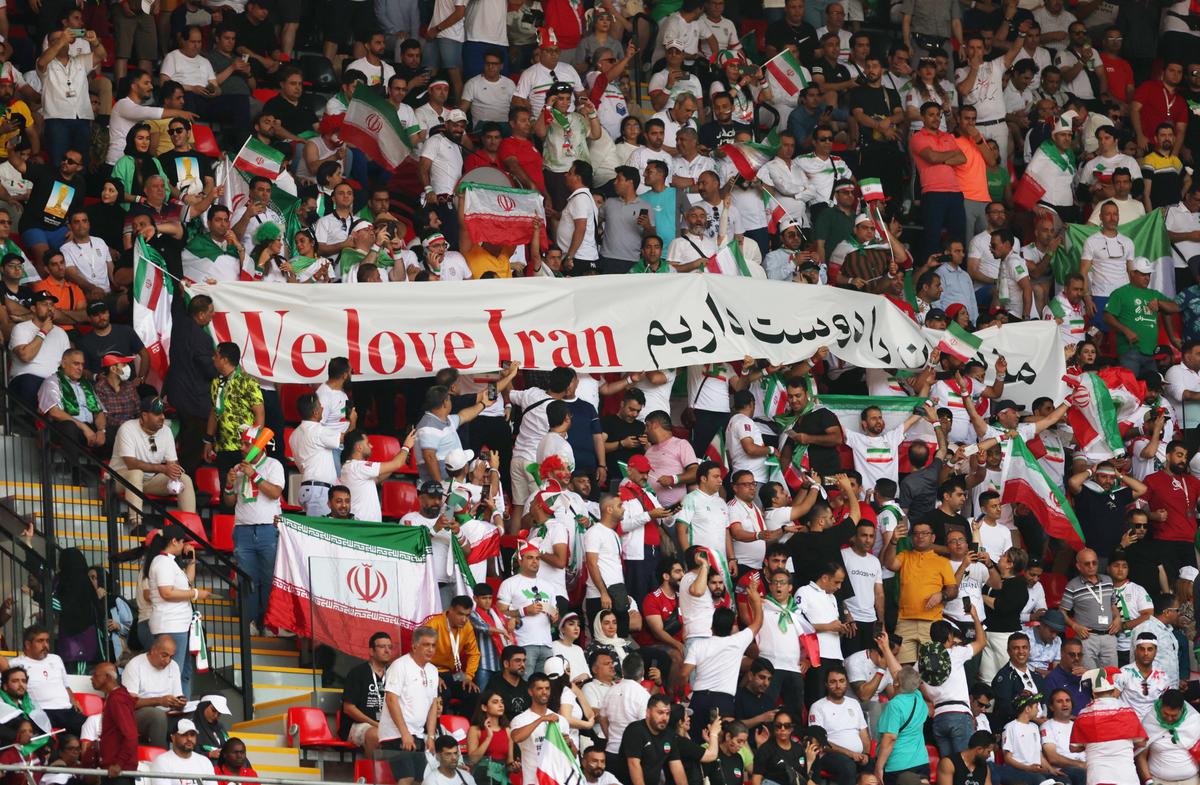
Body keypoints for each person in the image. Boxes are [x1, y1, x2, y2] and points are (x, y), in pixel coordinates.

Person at [680, 576, 763, 739]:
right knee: (722, 745)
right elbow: (758, 623)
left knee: (697, 741)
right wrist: (755, 601)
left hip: (700, 698)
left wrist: (683, 692)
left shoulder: (698, 645)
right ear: (732, 626)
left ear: (711, 626)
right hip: (723, 701)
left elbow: (684, 674)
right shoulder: (737, 641)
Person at [881, 519, 959, 663]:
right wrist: (893, 542)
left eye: (925, 533)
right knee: (903, 670)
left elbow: (953, 590)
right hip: (904, 621)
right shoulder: (904, 555)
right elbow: (889, 564)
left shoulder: (942, 561)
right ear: (912, 537)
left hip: (932, 623)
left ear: (933, 537)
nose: (920, 536)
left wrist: (942, 595)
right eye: (916, 533)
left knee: (931, 667)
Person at [378, 626, 439, 784]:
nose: (431, 649)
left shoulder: (433, 670)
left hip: (418, 734)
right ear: (414, 646)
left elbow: (433, 704)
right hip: (395, 734)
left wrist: (431, 736)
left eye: (433, 645)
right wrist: (404, 733)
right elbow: (391, 700)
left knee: (420, 780)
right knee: (406, 779)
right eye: (426, 645)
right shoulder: (400, 665)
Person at [1069, 667, 1148, 785]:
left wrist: (1092, 745)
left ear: (1094, 693)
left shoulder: (1084, 715)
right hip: (1127, 777)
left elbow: (1073, 747)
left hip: (1099, 777)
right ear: (1113, 692)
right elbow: (1142, 742)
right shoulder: (1128, 712)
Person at [122, 635, 185, 746]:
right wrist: (159, 701)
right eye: (164, 655)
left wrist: (179, 702)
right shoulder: (135, 665)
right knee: (157, 715)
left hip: (168, 713)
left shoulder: (174, 666)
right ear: (153, 650)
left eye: (171, 657)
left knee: (195, 714)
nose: (167, 661)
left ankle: (191, 758)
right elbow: (128, 703)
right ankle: (159, 758)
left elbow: (178, 695)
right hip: (138, 714)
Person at [339, 631, 393, 757]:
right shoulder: (357, 673)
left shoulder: (394, 674)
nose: (387, 650)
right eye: (382, 647)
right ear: (371, 651)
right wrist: (376, 724)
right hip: (357, 725)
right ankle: (373, 775)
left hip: (386, 725)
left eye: (390, 647)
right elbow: (348, 708)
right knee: (375, 734)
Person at [875, 666, 930, 784]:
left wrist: (879, 767)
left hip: (898, 766)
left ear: (896, 683)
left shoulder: (894, 705)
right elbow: (908, 678)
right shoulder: (918, 697)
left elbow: (890, 738)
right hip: (921, 762)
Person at [1136, 688, 1200, 785]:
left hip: (1191, 781)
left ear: (1182, 710)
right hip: (1159, 781)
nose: (1169, 719)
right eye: (1165, 714)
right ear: (1161, 706)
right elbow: (1141, 756)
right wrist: (1148, 782)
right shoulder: (1150, 721)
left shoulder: (1194, 720)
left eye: (1174, 715)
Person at [93, 662, 137, 781]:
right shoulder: (117, 697)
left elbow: (131, 736)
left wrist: (119, 764)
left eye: (95, 675)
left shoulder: (117, 699)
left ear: (108, 677)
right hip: (115, 769)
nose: (91, 678)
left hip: (118, 771)